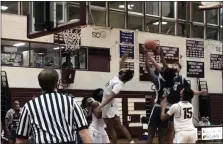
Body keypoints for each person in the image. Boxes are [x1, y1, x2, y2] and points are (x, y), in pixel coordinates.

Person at [16, 69, 92, 144]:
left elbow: (21, 139)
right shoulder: (71, 102)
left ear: (40, 84)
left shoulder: (29, 106)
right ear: (56, 83)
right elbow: (84, 132)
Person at [96, 52, 135, 144]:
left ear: (123, 75)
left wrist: (101, 106)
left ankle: (130, 141)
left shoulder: (119, 84)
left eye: (124, 71)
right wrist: (123, 59)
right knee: (116, 126)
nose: (122, 70)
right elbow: (121, 65)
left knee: (113, 127)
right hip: (108, 104)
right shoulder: (119, 76)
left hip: (109, 105)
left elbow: (110, 97)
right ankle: (131, 141)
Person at [142, 47, 177, 144]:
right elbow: (167, 69)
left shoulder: (158, 81)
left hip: (158, 108)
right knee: (162, 137)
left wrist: (145, 55)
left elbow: (148, 68)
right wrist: (161, 55)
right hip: (167, 109)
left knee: (150, 135)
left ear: (164, 74)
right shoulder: (173, 82)